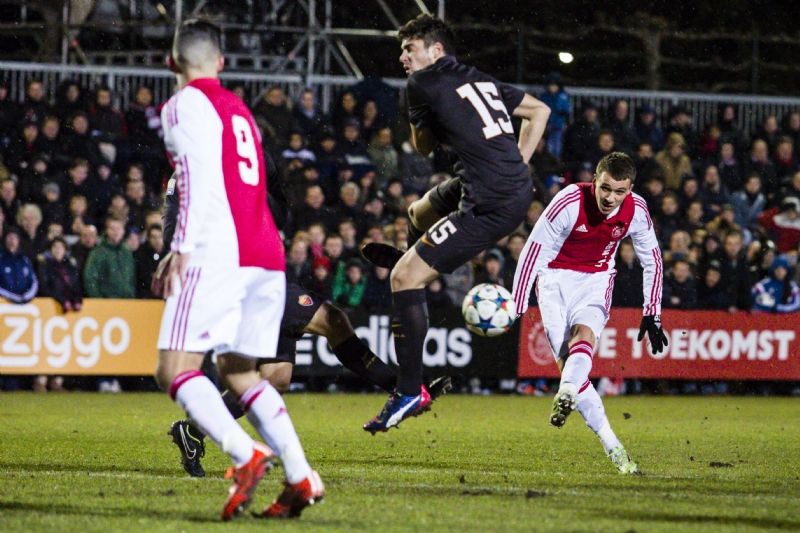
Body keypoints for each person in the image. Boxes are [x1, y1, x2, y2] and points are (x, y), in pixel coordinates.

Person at [162, 132, 451, 480]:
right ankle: (403, 389)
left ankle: (193, 431)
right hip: (236, 280)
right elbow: (174, 232)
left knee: (275, 378)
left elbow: (276, 204)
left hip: (260, 274)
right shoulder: (191, 174)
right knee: (333, 321)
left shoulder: (242, 157)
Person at [153, 20, 322, 520]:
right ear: (222, 64)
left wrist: (180, 246)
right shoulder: (241, 110)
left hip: (218, 249)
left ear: (171, 62)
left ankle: (245, 454)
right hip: (265, 252)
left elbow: (193, 176)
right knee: (240, 371)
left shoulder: (182, 104)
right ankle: (301, 476)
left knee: (174, 369)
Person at [361, 14, 550, 433]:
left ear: (436, 50)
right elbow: (540, 110)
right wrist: (518, 163)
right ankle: (415, 261)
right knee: (418, 213)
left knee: (403, 279)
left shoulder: (420, 83)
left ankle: (409, 391)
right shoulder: (478, 79)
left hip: (489, 202)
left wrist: (421, 114)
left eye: (410, 49)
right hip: (502, 186)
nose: (403, 58)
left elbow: (422, 147)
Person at [511, 152, 667, 474]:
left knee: (584, 337)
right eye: (605, 188)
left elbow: (652, 259)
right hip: (553, 278)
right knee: (570, 366)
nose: (610, 198)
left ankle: (604, 437)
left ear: (630, 190)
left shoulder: (636, 211)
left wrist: (652, 312)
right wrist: (517, 303)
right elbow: (533, 251)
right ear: (594, 181)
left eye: (619, 191)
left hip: (596, 280)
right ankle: (602, 431)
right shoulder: (569, 201)